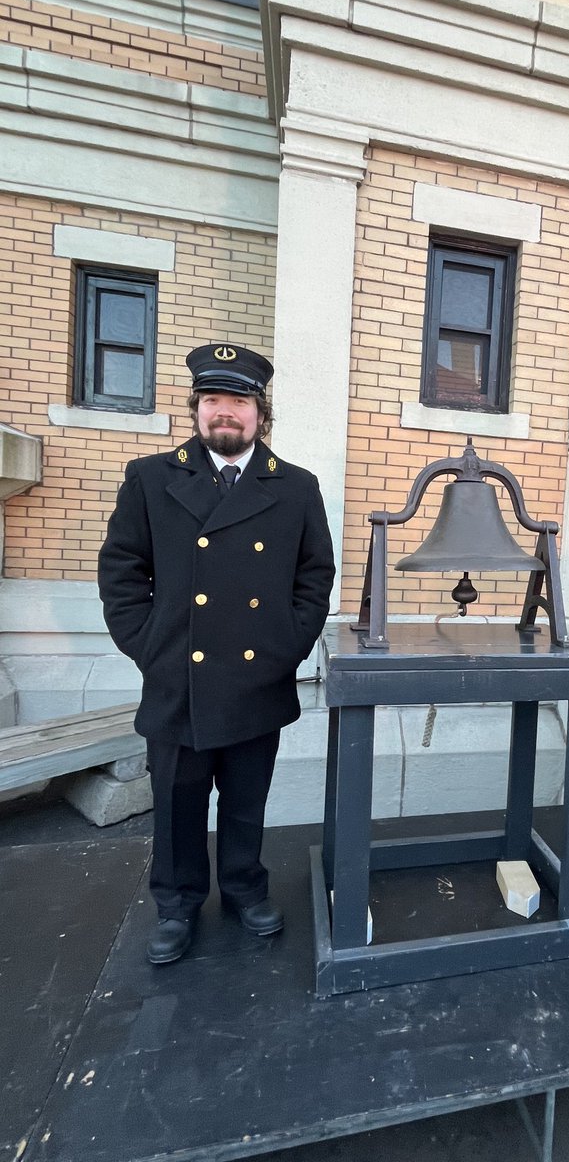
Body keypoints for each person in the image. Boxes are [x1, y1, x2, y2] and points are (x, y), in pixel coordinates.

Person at [98, 343, 335, 964]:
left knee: (246, 797)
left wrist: (285, 648)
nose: (223, 413)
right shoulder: (151, 477)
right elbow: (122, 571)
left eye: (237, 400)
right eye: (211, 400)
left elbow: (314, 577)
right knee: (176, 803)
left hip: (258, 677)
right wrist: (150, 647)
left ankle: (244, 889)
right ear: (197, 409)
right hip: (179, 676)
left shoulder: (296, 486)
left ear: (261, 412)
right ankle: (176, 905)